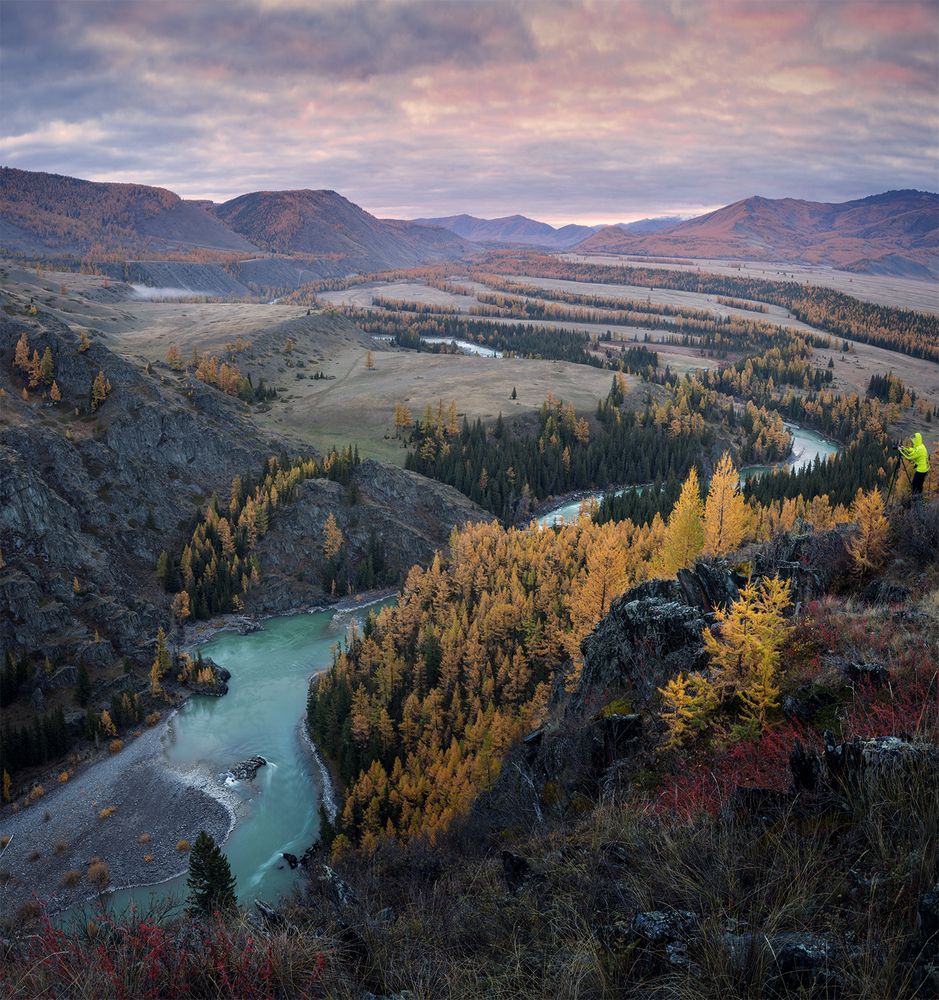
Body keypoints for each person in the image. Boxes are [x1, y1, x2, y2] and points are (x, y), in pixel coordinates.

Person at [899, 432, 930, 500]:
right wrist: (904, 448)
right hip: (924, 469)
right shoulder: (921, 446)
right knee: (919, 485)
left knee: (915, 485)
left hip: (921, 470)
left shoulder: (919, 449)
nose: (913, 442)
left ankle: (915, 500)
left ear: (916, 440)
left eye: (914, 440)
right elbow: (913, 450)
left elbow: (910, 457)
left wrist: (901, 451)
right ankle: (919, 498)